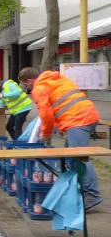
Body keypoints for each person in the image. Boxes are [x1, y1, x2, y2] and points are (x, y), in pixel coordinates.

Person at [19, 67, 102, 210]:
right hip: (84, 116)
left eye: (25, 84)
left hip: (78, 120)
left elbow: (46, 114)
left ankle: (91, 195)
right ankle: (77, 190)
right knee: (70, 158)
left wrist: (46, 134)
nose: (26, 88)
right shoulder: (56, 79)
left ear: (30, 80)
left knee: (80, 157)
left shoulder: (39, 88)